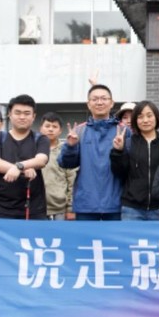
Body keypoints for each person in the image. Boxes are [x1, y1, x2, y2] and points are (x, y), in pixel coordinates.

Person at [58, 84, 123, 221]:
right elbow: (66, 164)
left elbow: (128, 167)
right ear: (88, 104)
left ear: (112, 103)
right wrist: (70, 147)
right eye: (95, 99)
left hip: (115, 202)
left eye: (104, 98)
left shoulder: (123, 131)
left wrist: (120, 151)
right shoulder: (79, 131)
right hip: (86, 203)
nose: (99, 102)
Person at [0, 94, 50, 219]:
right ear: (9, 114)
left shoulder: (41, 139)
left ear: (33, 116)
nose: (22, 117)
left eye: (27, 113)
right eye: (18, 112)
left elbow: (41, 160)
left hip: (33, 208)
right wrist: (23, 169)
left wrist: (19, 166)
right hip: (0, 207)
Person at [111, 101, 159, 221]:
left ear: (156, 117)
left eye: (149, 116)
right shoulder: (129, 142)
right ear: (135, 120)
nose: (145, 120)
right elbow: (119, 172)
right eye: (140, 117)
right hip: (132, 208)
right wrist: (118, 152)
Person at [40, 112, 77, 220]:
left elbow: (72, 180)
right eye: (47, 126)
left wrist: (70, 208)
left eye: (54, 126)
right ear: (41, 128)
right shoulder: (33, 149)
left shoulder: (66, 151)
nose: (50, 129)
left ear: (60, 130)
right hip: (36, 207)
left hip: (60, 209)